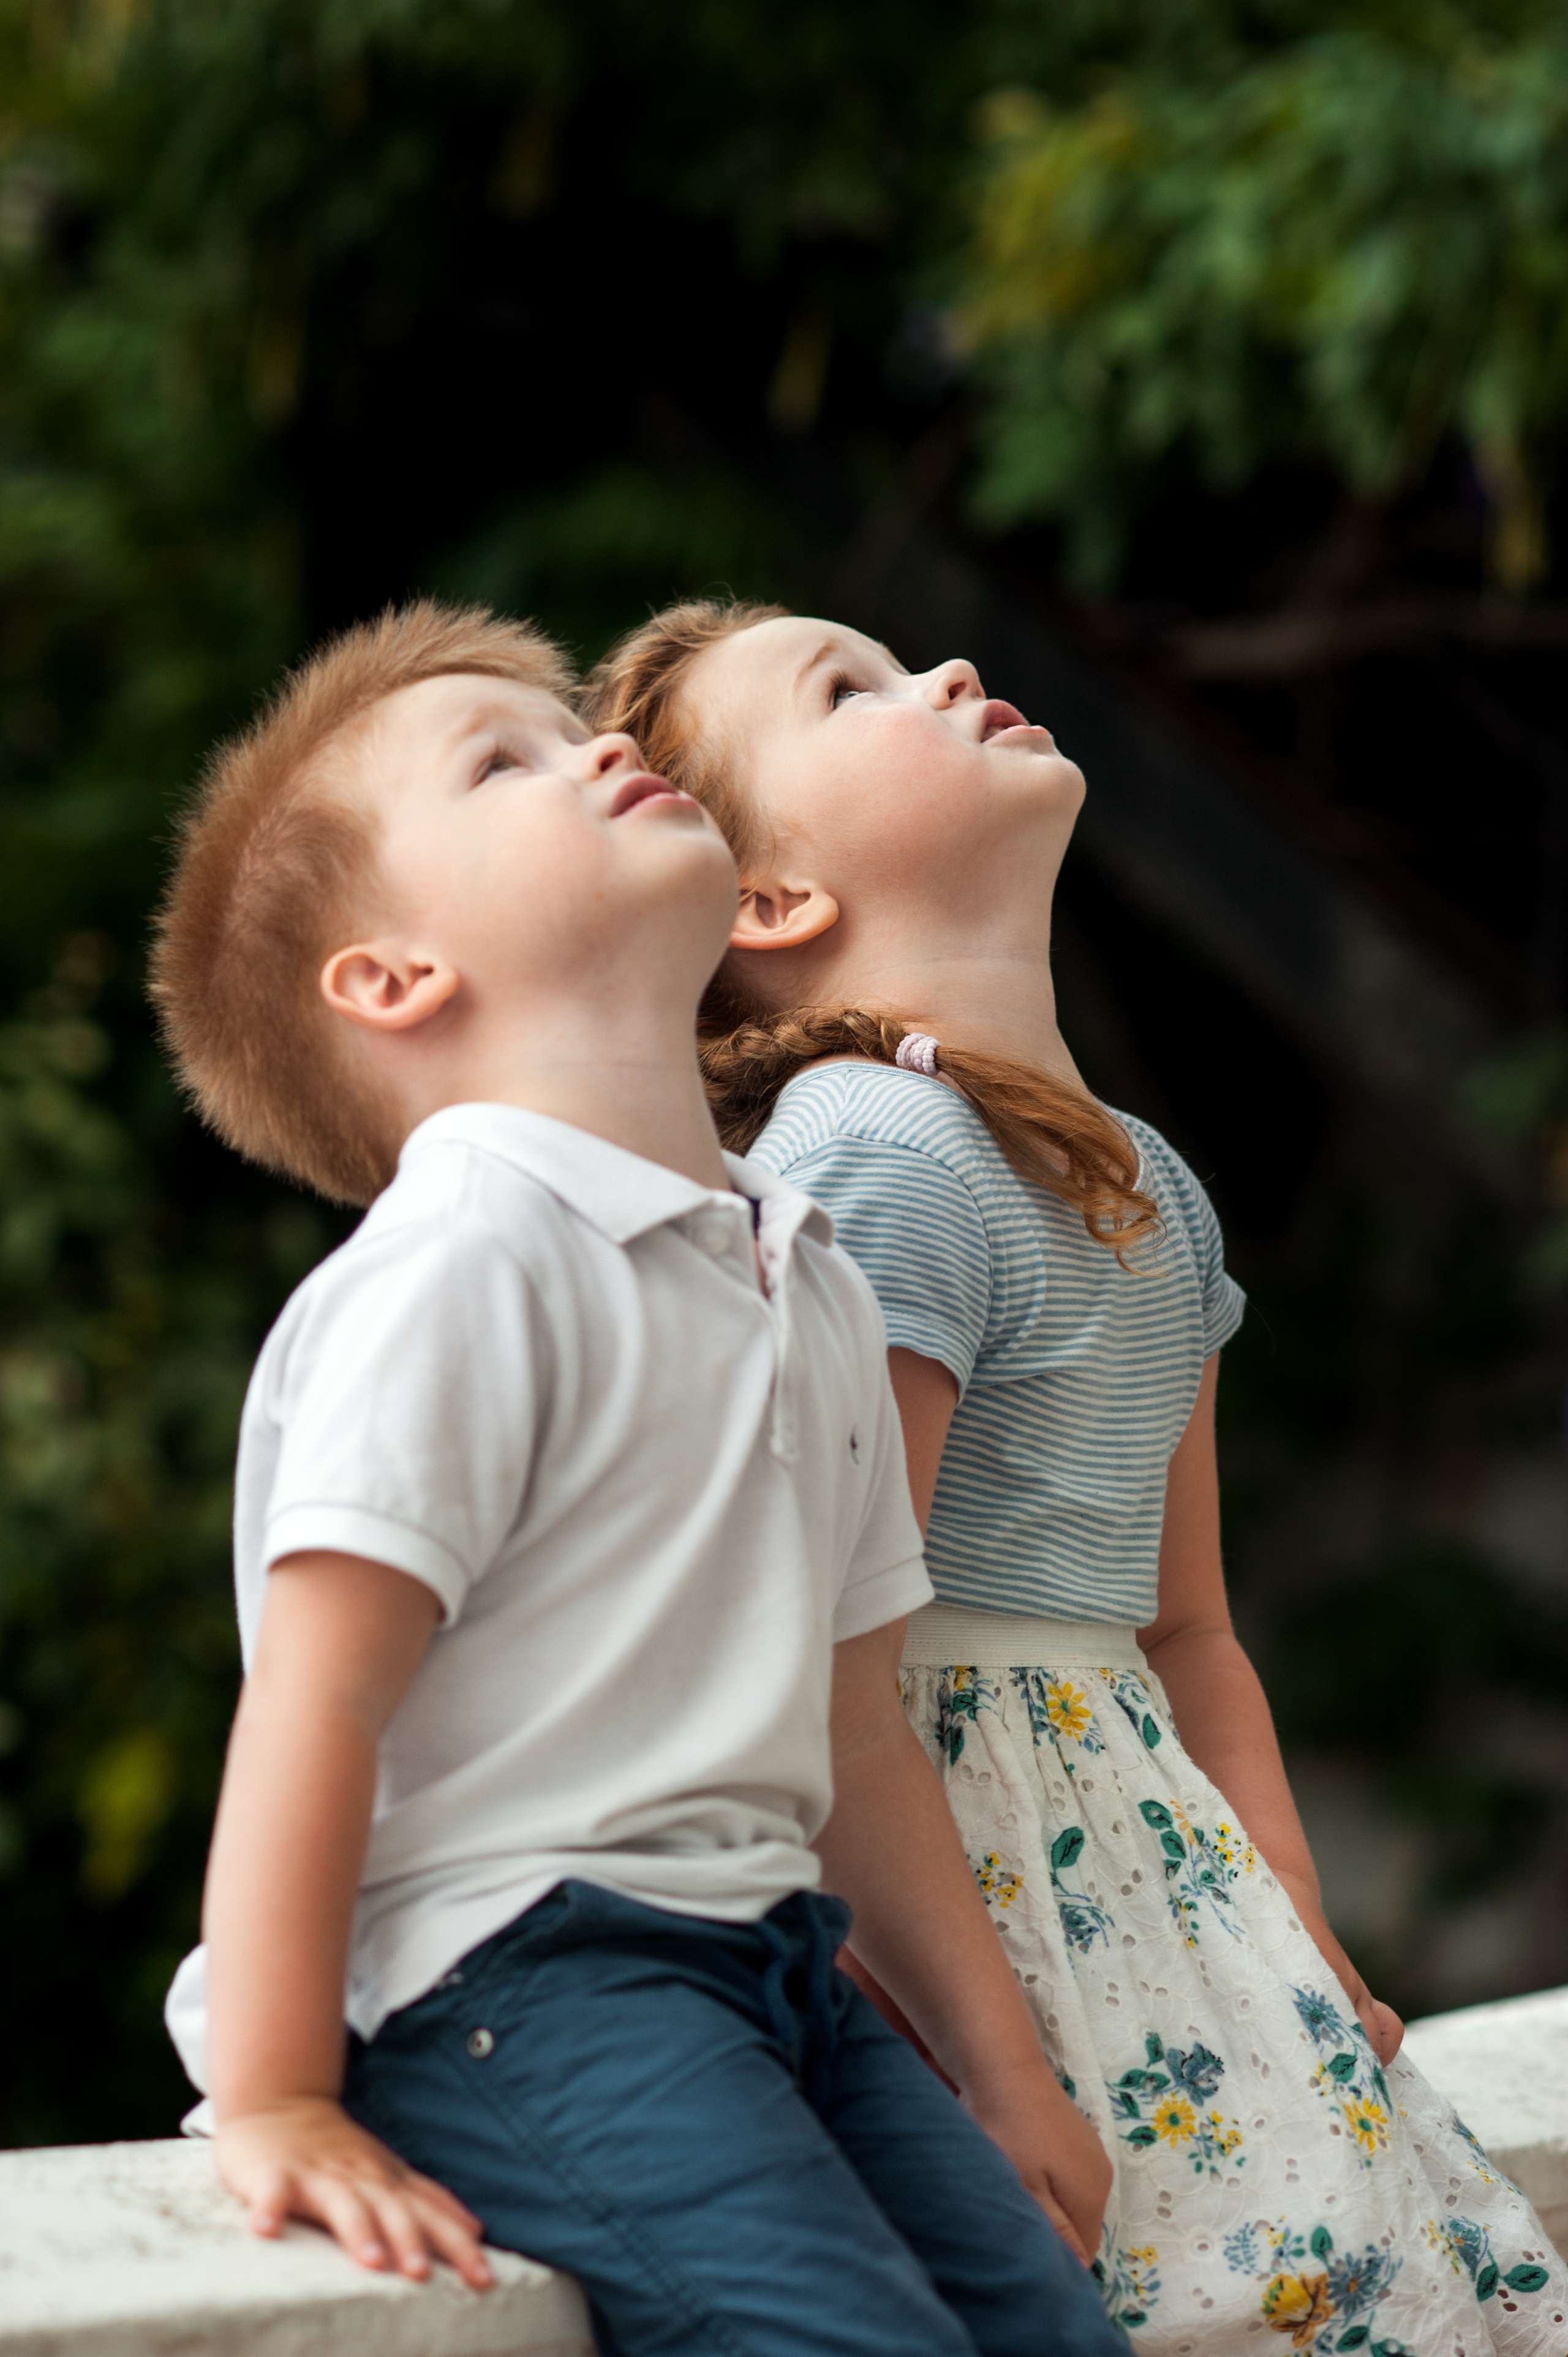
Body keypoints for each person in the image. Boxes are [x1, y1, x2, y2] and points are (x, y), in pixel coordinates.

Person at [585, 599, 1568, 2356]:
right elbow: (825, 1652)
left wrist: (1300, 1949)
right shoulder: (874, 1158)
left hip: (1146, 1858)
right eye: (853, 691)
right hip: (956, 1886)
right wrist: (986, 2054)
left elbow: (1187, 1632)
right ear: (768, 904)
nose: (945, 672)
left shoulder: (1158, 1185)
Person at [149, 600, 1125, 2357]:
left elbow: (855, 1730)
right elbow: (312, 1707)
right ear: (388, 980)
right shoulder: (467, 1261)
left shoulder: (803, 1266)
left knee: (1061, 2336)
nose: (593, 743)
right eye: (500, 763)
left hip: (776, 1962)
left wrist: (1007, 2076)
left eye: (568, 722)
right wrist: (283, 2094)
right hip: (514, 1976)